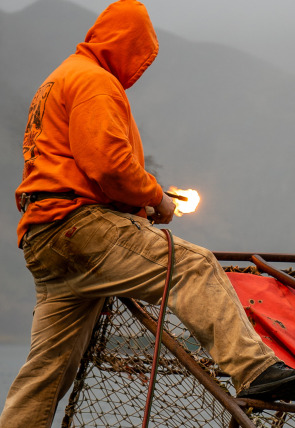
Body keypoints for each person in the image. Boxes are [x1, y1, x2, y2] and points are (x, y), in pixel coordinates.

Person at [1, 0, 295, 426]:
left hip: (44, 238)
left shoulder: (59, 79)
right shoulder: (94, 81)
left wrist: (137, 203)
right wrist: (156, 199)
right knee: (192, 264)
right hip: (78, 227)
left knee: (47, 371)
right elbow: (108, 165)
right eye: (140, 53)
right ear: (125, 44)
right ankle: (256, 371)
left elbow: (78, 167)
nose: (140, 66)